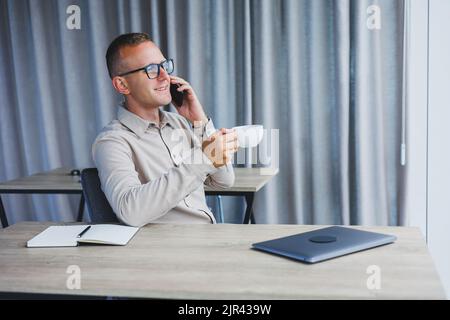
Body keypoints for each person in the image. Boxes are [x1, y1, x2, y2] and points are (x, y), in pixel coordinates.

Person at [92, 33, 238, 227]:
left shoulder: (178, 123)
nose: (164, 77)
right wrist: (204, 159)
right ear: (122, 84)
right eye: (151, 70)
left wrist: (199, 121)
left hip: (205, 236)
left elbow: (224, 180)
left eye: (164, 66)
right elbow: (130, 212)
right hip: (166, 248)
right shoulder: (112, 141)